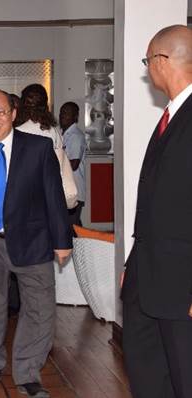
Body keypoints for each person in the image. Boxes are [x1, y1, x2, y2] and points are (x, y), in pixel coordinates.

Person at [0, 88, 72, 398]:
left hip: (32, 241)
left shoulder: (39, 147)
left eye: (1, 112)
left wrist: (62, 240)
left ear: (13, 113)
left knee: (38, 309)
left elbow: (54, 196)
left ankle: (28, 371)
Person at [122, 25, 192, 398]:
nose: (147, 69)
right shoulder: (170, 115)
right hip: (148, 281)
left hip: (182, 285)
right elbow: (156, 202)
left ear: (162, 61)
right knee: (149, 374)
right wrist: (133, 266)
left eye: (147, 61)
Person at [59, 102, 86, 227]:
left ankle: (80, 246)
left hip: (74, 190)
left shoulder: (76, 136)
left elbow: (74, 164)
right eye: (62, 112)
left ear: (75, 117)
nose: (62, 116)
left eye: (67, 113)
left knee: (71, 227)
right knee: (72, 226)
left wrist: (53, 163)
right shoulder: (60, 133)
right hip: (64, 190)